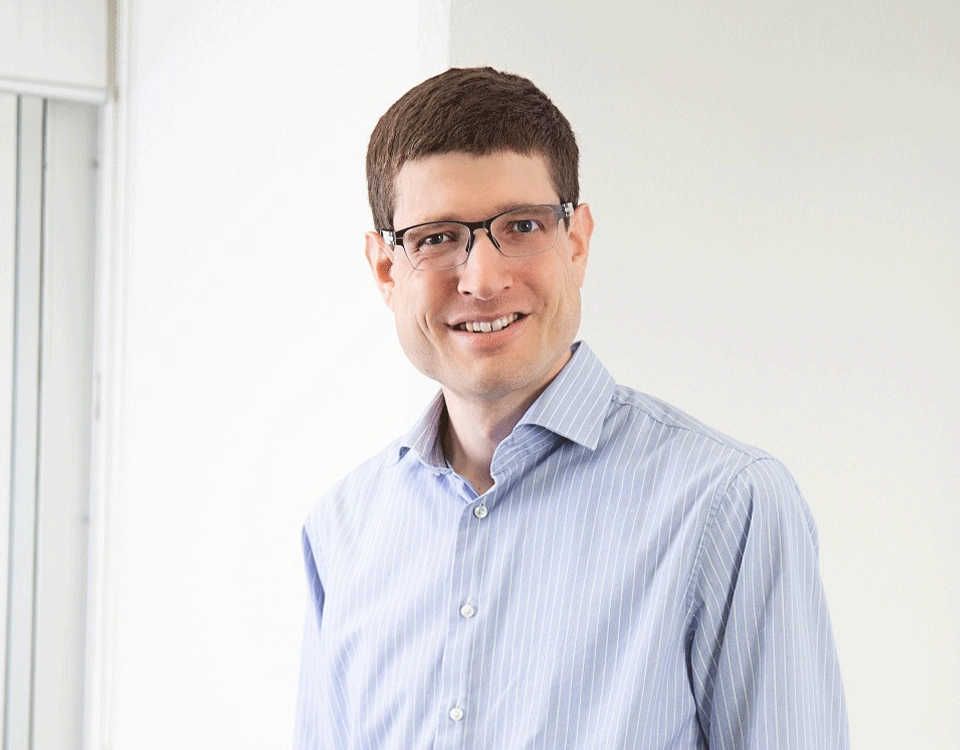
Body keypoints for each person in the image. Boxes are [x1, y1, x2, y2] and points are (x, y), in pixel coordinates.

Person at [295, 67, 848, 749]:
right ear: (385, 269)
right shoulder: (342, 532)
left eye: (521, 225)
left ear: (577, 242)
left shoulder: (728, 505)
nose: (483, 279)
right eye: (436, 238)